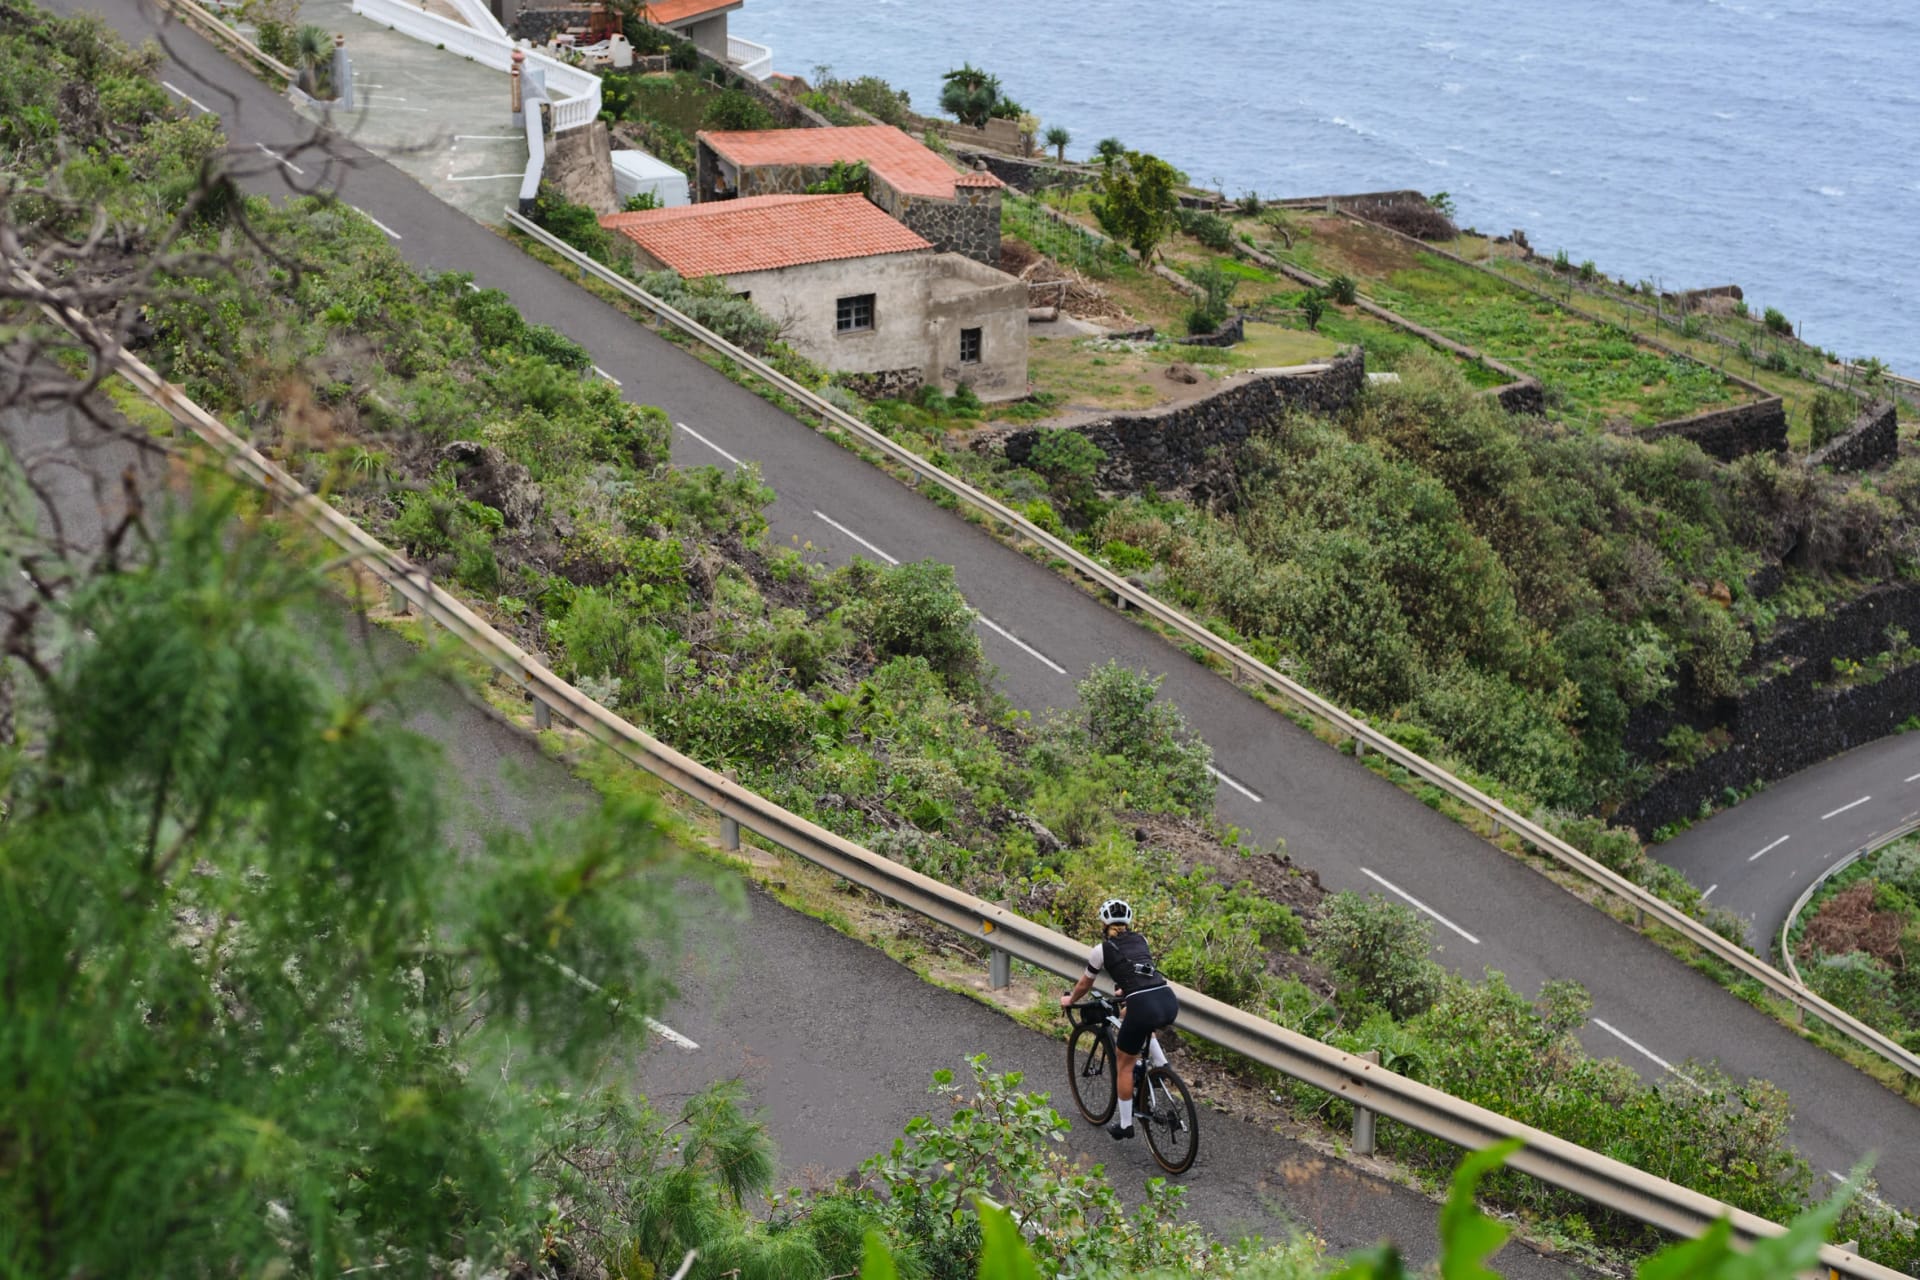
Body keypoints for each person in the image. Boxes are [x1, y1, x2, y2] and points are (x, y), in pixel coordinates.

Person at [1060, 898, 1178, 1139]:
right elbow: (1140, 969)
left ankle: (1125, 1125)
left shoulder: (1101, 950)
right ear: (1128, 922)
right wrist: (1125, 990)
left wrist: (1070, 1000)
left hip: (1143, 1004)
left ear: (1104, 925)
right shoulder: (1141, 940)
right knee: (1134, 1018)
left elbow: (1085, 983)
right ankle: (1162, 1066)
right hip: (1166, 999)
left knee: (1124, 1064)